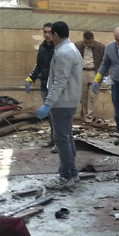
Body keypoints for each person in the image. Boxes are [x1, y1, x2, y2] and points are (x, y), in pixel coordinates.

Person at [36, 21, 83, 189]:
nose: (49, 36)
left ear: (55, 34)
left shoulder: (64, 52)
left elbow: (59, 81)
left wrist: (48, 103)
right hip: (68, 99)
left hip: (62, 101)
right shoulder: (70, 49)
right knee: (67, 137)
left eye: (51, 34)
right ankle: (72, 172)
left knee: (61, 139)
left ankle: (66, 176)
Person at [92, 26, 119, 146]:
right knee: (118, 112)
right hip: (117, 84)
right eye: (117, 40)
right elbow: (104, 65)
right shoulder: (110, 48)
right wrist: (97, 80)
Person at [25, 23, 57, 152]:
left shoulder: (58, 48)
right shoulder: (42, 47)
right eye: (45, 32)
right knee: (50, 115)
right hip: (44, 85)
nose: (47, 34)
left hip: (55, 86)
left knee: (56, 115)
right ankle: (53, 139)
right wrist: (30, 79)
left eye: (49, 32)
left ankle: (59, 141)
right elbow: (39, 66)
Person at [74, 31, 104, 123]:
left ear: (93, 40)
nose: (89, 44)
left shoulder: (100, 47)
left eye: (90, 42)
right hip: (82, 71)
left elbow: (104, 62)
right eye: (87, 43)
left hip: (94, 72)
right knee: (84, 96)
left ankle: (89, 118)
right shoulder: (78, 46)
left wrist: (103, 75)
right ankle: (86, 115)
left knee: (92, 96)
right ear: (84, 40)